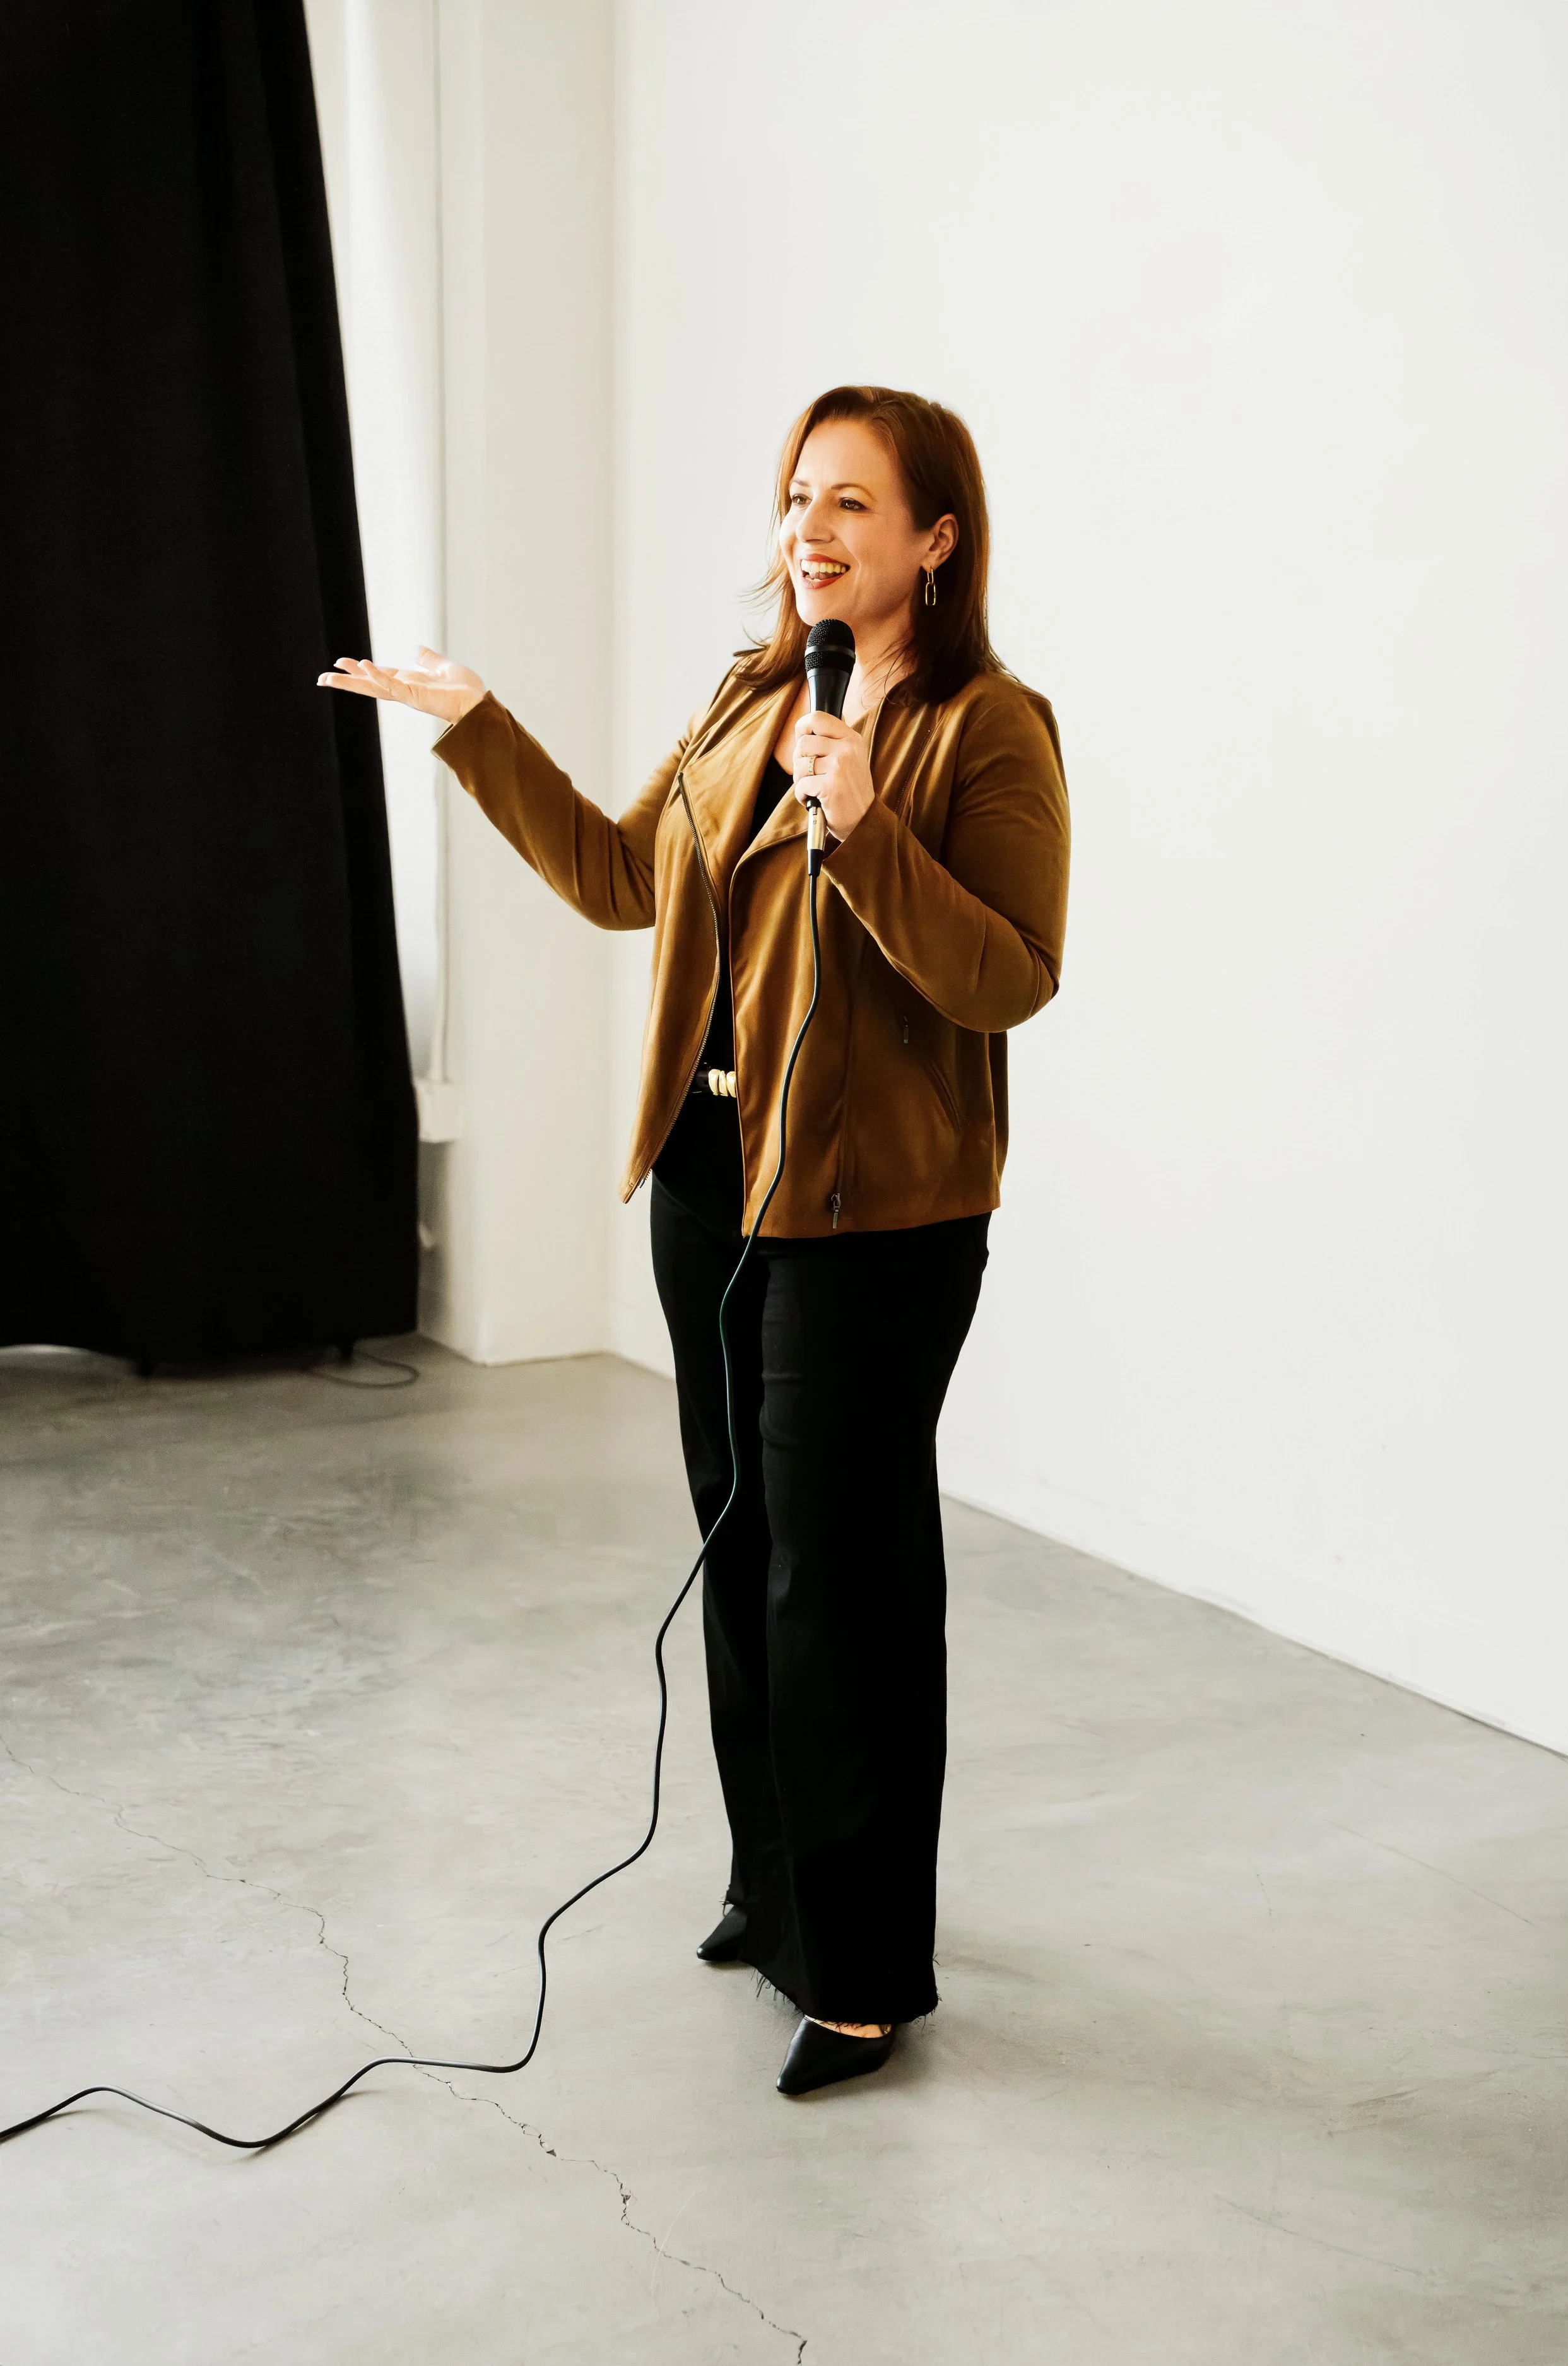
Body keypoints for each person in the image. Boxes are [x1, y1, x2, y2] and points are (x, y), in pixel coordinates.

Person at [319, 383, 1071, 2097]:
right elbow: (617, 875)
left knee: (841, 1580)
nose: (809, 529)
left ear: (936, 539)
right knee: (741, 1540)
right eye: (798, 496)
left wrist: (865, 828)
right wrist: (476, 725)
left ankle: (863, 1971)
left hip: (874, 1216)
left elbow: (1010, 975)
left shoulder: (986, 728)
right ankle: (773, 1881)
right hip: (711, 1175)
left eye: (852, 503)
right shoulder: (751, 692)